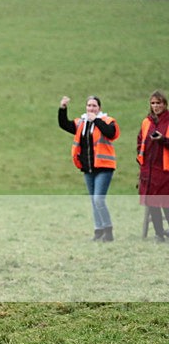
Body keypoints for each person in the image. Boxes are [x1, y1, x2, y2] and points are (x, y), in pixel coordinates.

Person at [58, 95, 120, 241]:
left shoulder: (107, 121)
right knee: (94, 200)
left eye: (94, 106)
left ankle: (108, 230)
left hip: (104, 167)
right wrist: (62, 108)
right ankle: (98, 231)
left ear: (99, 108)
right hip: (88, 168)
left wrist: (96, 120)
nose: (91, 108)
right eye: (89, 106)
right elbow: (64, 124)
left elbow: (111, 133)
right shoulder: (81, 123)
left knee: (99, 199)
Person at [136, 90, 169, 242]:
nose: (156, 106)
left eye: (159, 103)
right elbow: (140, 141)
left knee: (165, 203)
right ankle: (159, 234)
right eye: (153, 103)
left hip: (165, 170)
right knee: (152, 203)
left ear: (165, 104)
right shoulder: (146, 122)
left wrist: (163, 140)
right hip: (148, 170)